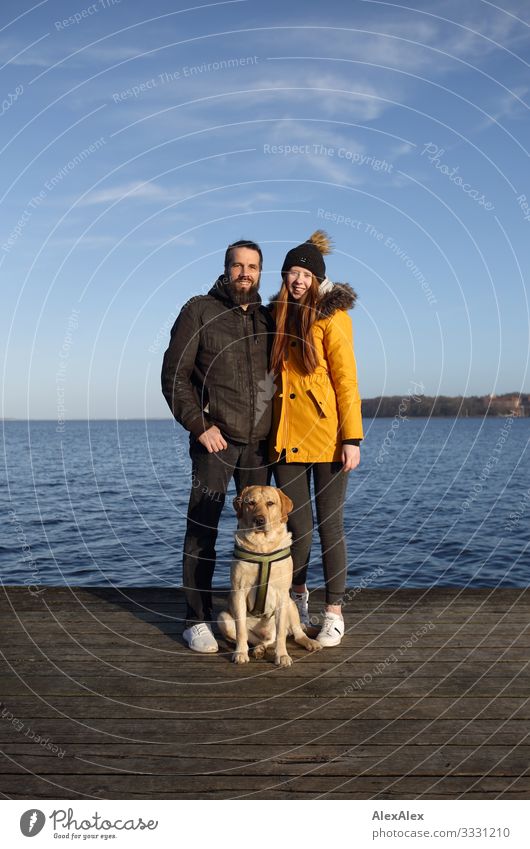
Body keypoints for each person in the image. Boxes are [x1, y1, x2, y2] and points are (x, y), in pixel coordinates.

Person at [161, 240, 274, 653]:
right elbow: (174, 375)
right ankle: (196, 619)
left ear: (261, 272)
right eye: (238, 265)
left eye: (253, 266)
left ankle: (261, 616)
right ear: (226, 269)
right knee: (204, 528)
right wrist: (200, 425)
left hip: (260, 446)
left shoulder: (267, 316)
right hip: (216, 442)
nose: (246, 272)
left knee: (261, 533)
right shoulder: (199, 310)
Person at [270, 230, 363, 647]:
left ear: (318, 278)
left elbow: (346, 380)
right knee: (297, 527)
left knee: (330, 526)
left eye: (305, 272)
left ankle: (335, 612)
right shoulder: (276, 315)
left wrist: (352, 439)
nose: (298, 279)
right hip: (287, 437)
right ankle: (297, 599)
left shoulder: (332, 317)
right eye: (291, 272)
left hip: (329, 437)